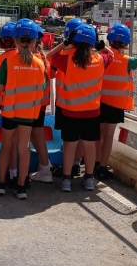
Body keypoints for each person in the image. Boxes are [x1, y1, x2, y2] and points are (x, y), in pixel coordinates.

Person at [47, 24, 113, 192]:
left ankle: (67, 180)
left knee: (70, 146)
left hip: (70, 111)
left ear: (73, 42)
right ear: (93, 43)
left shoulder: (68, 60)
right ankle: (89, 179)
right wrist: (102, 46)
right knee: (89, 146)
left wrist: (65, 43)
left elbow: (49, 56)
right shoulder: (100, 60)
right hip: (91, 112)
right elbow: (110, 54)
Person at [0, 18, 46, 200]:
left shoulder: (8, 62)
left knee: (6, 147)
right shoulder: (40, 65)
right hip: (29, 115)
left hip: (10, 112)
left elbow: (0, 89)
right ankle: (21, 187)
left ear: (15, 40)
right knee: (24, 148)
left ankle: (1, 183)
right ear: (34, 42)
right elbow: (41, 90)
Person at [95, 23, 137, 180]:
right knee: (108, 136)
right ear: (127, 44)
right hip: (115, 105)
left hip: (98, 101)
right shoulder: (127, 61)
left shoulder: (101, 56)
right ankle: (102, 168)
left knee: (97, 134)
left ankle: (93, 164)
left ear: (109, 40)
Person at [50, 18, 84, 179]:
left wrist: (64, 44)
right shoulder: (92, 58)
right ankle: (77, 164)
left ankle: (67, 169)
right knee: (81, 137)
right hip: (87, 105)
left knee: (68, 139)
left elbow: (50, 62)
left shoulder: (63, 57)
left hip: (65, 103)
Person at [0, 22, 20, 184]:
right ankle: (15, 174)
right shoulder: (26, 57)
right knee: (20, 145)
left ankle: (6, 176)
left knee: (7, 145)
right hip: (23, 107)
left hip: (5, 107)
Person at [29, 24, 55, 183]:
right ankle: (45, 166)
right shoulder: (44, 58)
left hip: (31, 104)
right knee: (34, 134)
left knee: (34, 134)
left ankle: (45, 168)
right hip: (40, 103)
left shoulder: (33, 59)